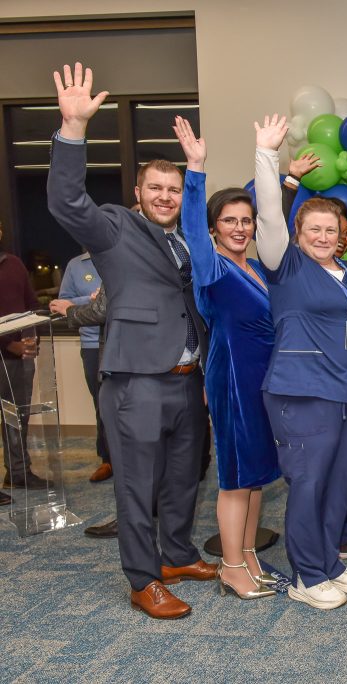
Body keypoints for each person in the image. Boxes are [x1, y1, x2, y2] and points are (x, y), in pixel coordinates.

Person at [47, 62, 216, 619]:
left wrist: (197, 173)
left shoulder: (190, 240)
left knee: (183, 478)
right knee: (136, 487)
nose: (166, 197)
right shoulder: (117, 228)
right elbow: (68, 202)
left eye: (174, 189)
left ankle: (176, 554)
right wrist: (73, 129)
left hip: (187, 379)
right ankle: (144, 579)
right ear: (138, 192)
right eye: (156, 189)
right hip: (136, 381)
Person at [252, 114, 347, 610]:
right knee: (309, 484)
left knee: (340, 485)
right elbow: (269, 218)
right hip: (301, 391)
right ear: (298, 233)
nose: (322, 236)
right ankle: (306, 574)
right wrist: (268, 157)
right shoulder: (285, 266)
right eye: (312, 228)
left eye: (330, 229)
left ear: (342, 235)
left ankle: (330, 562)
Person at [170, 117, 278, 600]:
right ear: (214, 228)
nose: (240, 227)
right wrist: (196, 169)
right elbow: (190, 227)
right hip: (232, 375)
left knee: (256, 476)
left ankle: (250, 554)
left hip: (262, 380)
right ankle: (230, 565)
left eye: (245, 220)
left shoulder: (253, 266)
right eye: (229, 220)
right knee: (235, 478)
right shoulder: (211, 266)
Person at [53, 251, 110, 482]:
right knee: (101, 404)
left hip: (123, 341)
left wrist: (105, 299)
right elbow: (60, 303)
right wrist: (92, 299)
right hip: (91, 346)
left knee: (124, 404)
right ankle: (108, 459)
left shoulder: (121, 255)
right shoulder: (75, 265)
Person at [0, 219, 43, 500]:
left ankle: (18, 473)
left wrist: (31, 338)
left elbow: (32, 305)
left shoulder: (14, 264)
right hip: (6, 351)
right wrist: (8, 344)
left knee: (17, 416)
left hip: (21, 356)